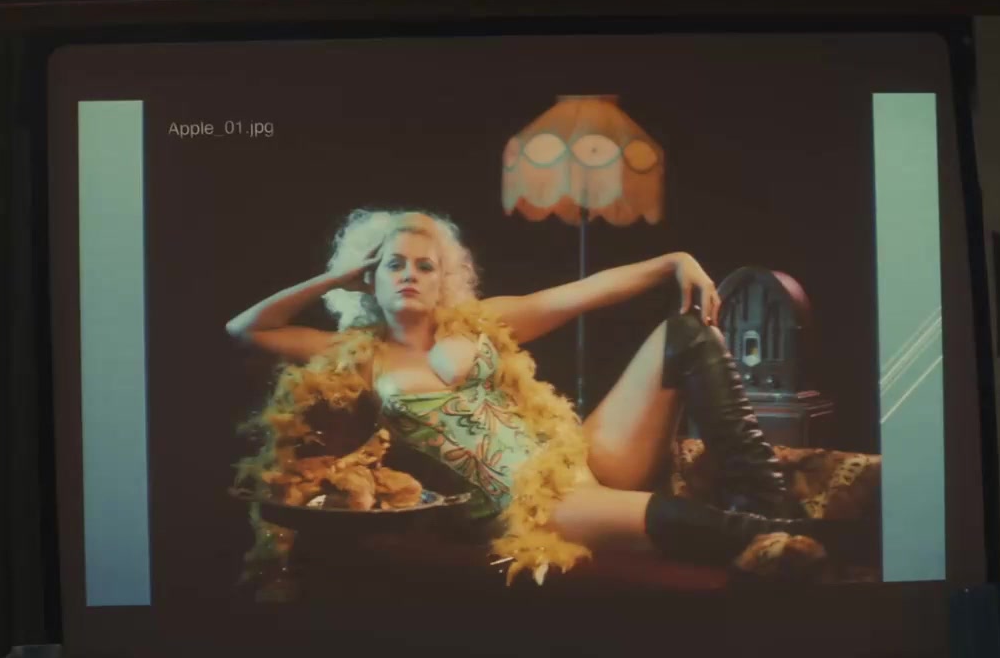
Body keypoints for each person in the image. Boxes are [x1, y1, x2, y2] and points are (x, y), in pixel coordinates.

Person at [225, 208, 855, 585]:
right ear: (370, 276)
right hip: (528, 508)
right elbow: (247, 328)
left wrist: (674, 259)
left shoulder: (483, 322)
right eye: (394, 264)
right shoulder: (356, 355)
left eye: (425, 265)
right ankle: (802, 538)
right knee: (680, 521)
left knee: (686, 334)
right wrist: (339, 275)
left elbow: (586, 290)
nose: (410, 274)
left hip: (580, 456)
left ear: (445, 280)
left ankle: (766, 503)